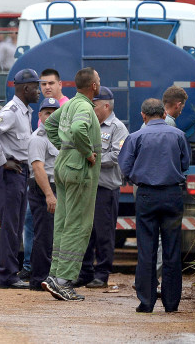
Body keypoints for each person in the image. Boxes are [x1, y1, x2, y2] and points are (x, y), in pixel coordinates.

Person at [119, 98, 191, 313]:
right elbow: (185, 164)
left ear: (143, 116)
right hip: (172, 194)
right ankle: (171, 303)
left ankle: (146, 301)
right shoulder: (179, 136)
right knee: (171, 249)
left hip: (147, 195)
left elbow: (125, 167)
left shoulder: (135, 137)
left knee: (146, 249)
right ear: (162, 114)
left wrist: (138, 178)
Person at [42, 67, 102, 302]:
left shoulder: (67, 104)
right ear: (94, 86)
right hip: (79, 172)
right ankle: (64, 281)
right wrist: (85, 152)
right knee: (78, 225)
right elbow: (78, 129)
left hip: (64, 168)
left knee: (64, 223)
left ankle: (55, 275)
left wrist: (64, 148)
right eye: (98, 80)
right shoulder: (85, 107)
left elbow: (49, 126)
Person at [0, 69, 41, 289]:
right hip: (10, 172)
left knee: (14, 226)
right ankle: (7, 275)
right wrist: (1, 161)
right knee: (11, 226)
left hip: (19, 171)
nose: (39, 91)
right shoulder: (11, 111)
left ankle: (0, 275)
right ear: (25, 88)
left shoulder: (24, 111)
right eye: (36, 87)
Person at [75, 86, 129, 289]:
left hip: (105, 189)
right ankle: (85, 272)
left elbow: (117, 156)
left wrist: (91, 159)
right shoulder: (88, 125)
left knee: (104, 233)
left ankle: (102, 273)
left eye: (94, 105)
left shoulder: (117, 128)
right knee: (85, 232)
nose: (91, 109)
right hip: (86, 188)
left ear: (106, 106)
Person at [27, 97, 61, 291]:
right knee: (44, 235)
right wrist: (49, 195)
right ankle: (39, 279)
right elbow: (38, 169)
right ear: (40, 115)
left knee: (54, 236)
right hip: (44, 189)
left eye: (54, 112)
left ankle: (51, 277)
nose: (51, 116)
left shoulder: (59, 137)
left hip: (56, 189)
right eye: (47, 113)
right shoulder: (38, 138)